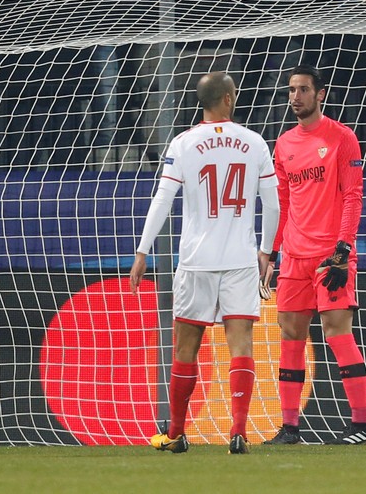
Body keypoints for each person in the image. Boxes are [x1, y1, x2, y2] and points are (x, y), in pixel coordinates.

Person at [129, 72, 280, 455]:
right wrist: (266, 251)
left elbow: (162, 199)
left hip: (196, 260)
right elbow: (273, 205)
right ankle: (238, 432)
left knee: (186, 347)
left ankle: (177, 433)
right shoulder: (254, 142)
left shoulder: (183, 143)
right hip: (240, 259)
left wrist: (143, 251)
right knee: (241, 344)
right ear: (229, 98)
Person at [263, 64, 366, 445]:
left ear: (320, 94)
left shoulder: (342, 138)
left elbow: (353, 196)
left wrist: (343, 249)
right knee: (291, 336)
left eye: (303, 90)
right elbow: (281, 201)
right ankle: (289, 427)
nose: (296, 97)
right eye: (291, 90)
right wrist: (272, 251)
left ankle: (361, 425)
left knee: (337, 333)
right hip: (294, 255)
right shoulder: (283, 144)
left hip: (331, 255)